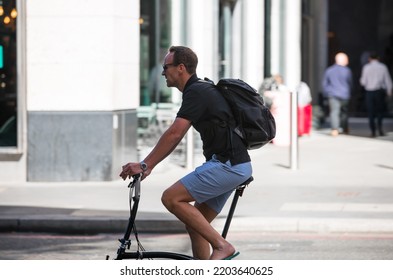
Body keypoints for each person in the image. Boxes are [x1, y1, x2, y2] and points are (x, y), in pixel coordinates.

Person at [119, 46, 252, 260]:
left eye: (166, 67)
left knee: (171, 198)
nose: (163, 72)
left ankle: (221, 246)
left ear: (181, 68)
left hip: (228, 165)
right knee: (196, 225)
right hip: (234, 164)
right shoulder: (200, 89)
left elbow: (175, 133)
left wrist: (146, 165)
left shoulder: (197, 91)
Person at [360, 51, 393, 137]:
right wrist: (389, 91)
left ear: (369, 59)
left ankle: (373, 131)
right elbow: (388, 80)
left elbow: (363, 82)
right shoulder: (383, 67)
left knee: (371, 112)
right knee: (380, 112)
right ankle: (380, 128)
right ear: (378, 58)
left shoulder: (366, 67)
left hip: (369, 92)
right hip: (379, 92)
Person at [322, 52, 353, 136]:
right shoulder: (347, 71)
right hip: (344, 94)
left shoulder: (329, 70)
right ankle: (344, 128)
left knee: (334, 112)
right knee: (344, 112)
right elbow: (350, 83)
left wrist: (327, 93)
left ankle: (334, 129)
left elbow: (325, 84)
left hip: (333, 94)